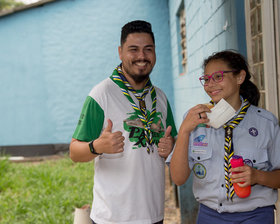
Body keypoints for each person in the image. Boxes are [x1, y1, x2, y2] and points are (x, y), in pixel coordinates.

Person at [70, 20, 177, 224]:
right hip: (112, 218)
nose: (142, 56)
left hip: (154, 214)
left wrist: (170, 146)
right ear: (120, 52)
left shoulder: (160, 98)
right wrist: (97, 146)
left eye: (148, 49)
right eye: (133, 49)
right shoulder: (101, 94)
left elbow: (173, 143)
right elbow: (74, 152)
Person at [170, 50, 280, 224]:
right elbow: (178, 178)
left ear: (239, 77)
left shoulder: (266, 123)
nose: (210, 84)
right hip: (210, 216)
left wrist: (257, 176)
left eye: (218, 76)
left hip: (256, 216)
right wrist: (184, 131)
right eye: (206, 79)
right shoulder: (194, 120)